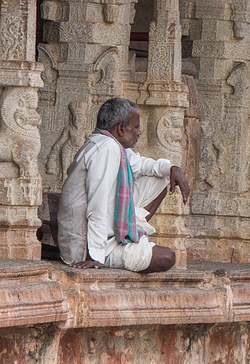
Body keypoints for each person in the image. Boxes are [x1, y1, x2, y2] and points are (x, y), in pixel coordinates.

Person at [57, 98, 190, 273]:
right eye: (136, 127)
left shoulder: (111, 145)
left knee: (159, 180)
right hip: (87, 247)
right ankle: (123, 245)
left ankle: (128, 234)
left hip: (105, 235)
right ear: (121, 129)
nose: (139, 132)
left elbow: (142, 165)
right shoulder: (106, 148)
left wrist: (172, 168)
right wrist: (95, 257)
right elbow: (97, 205)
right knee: (167, 257)